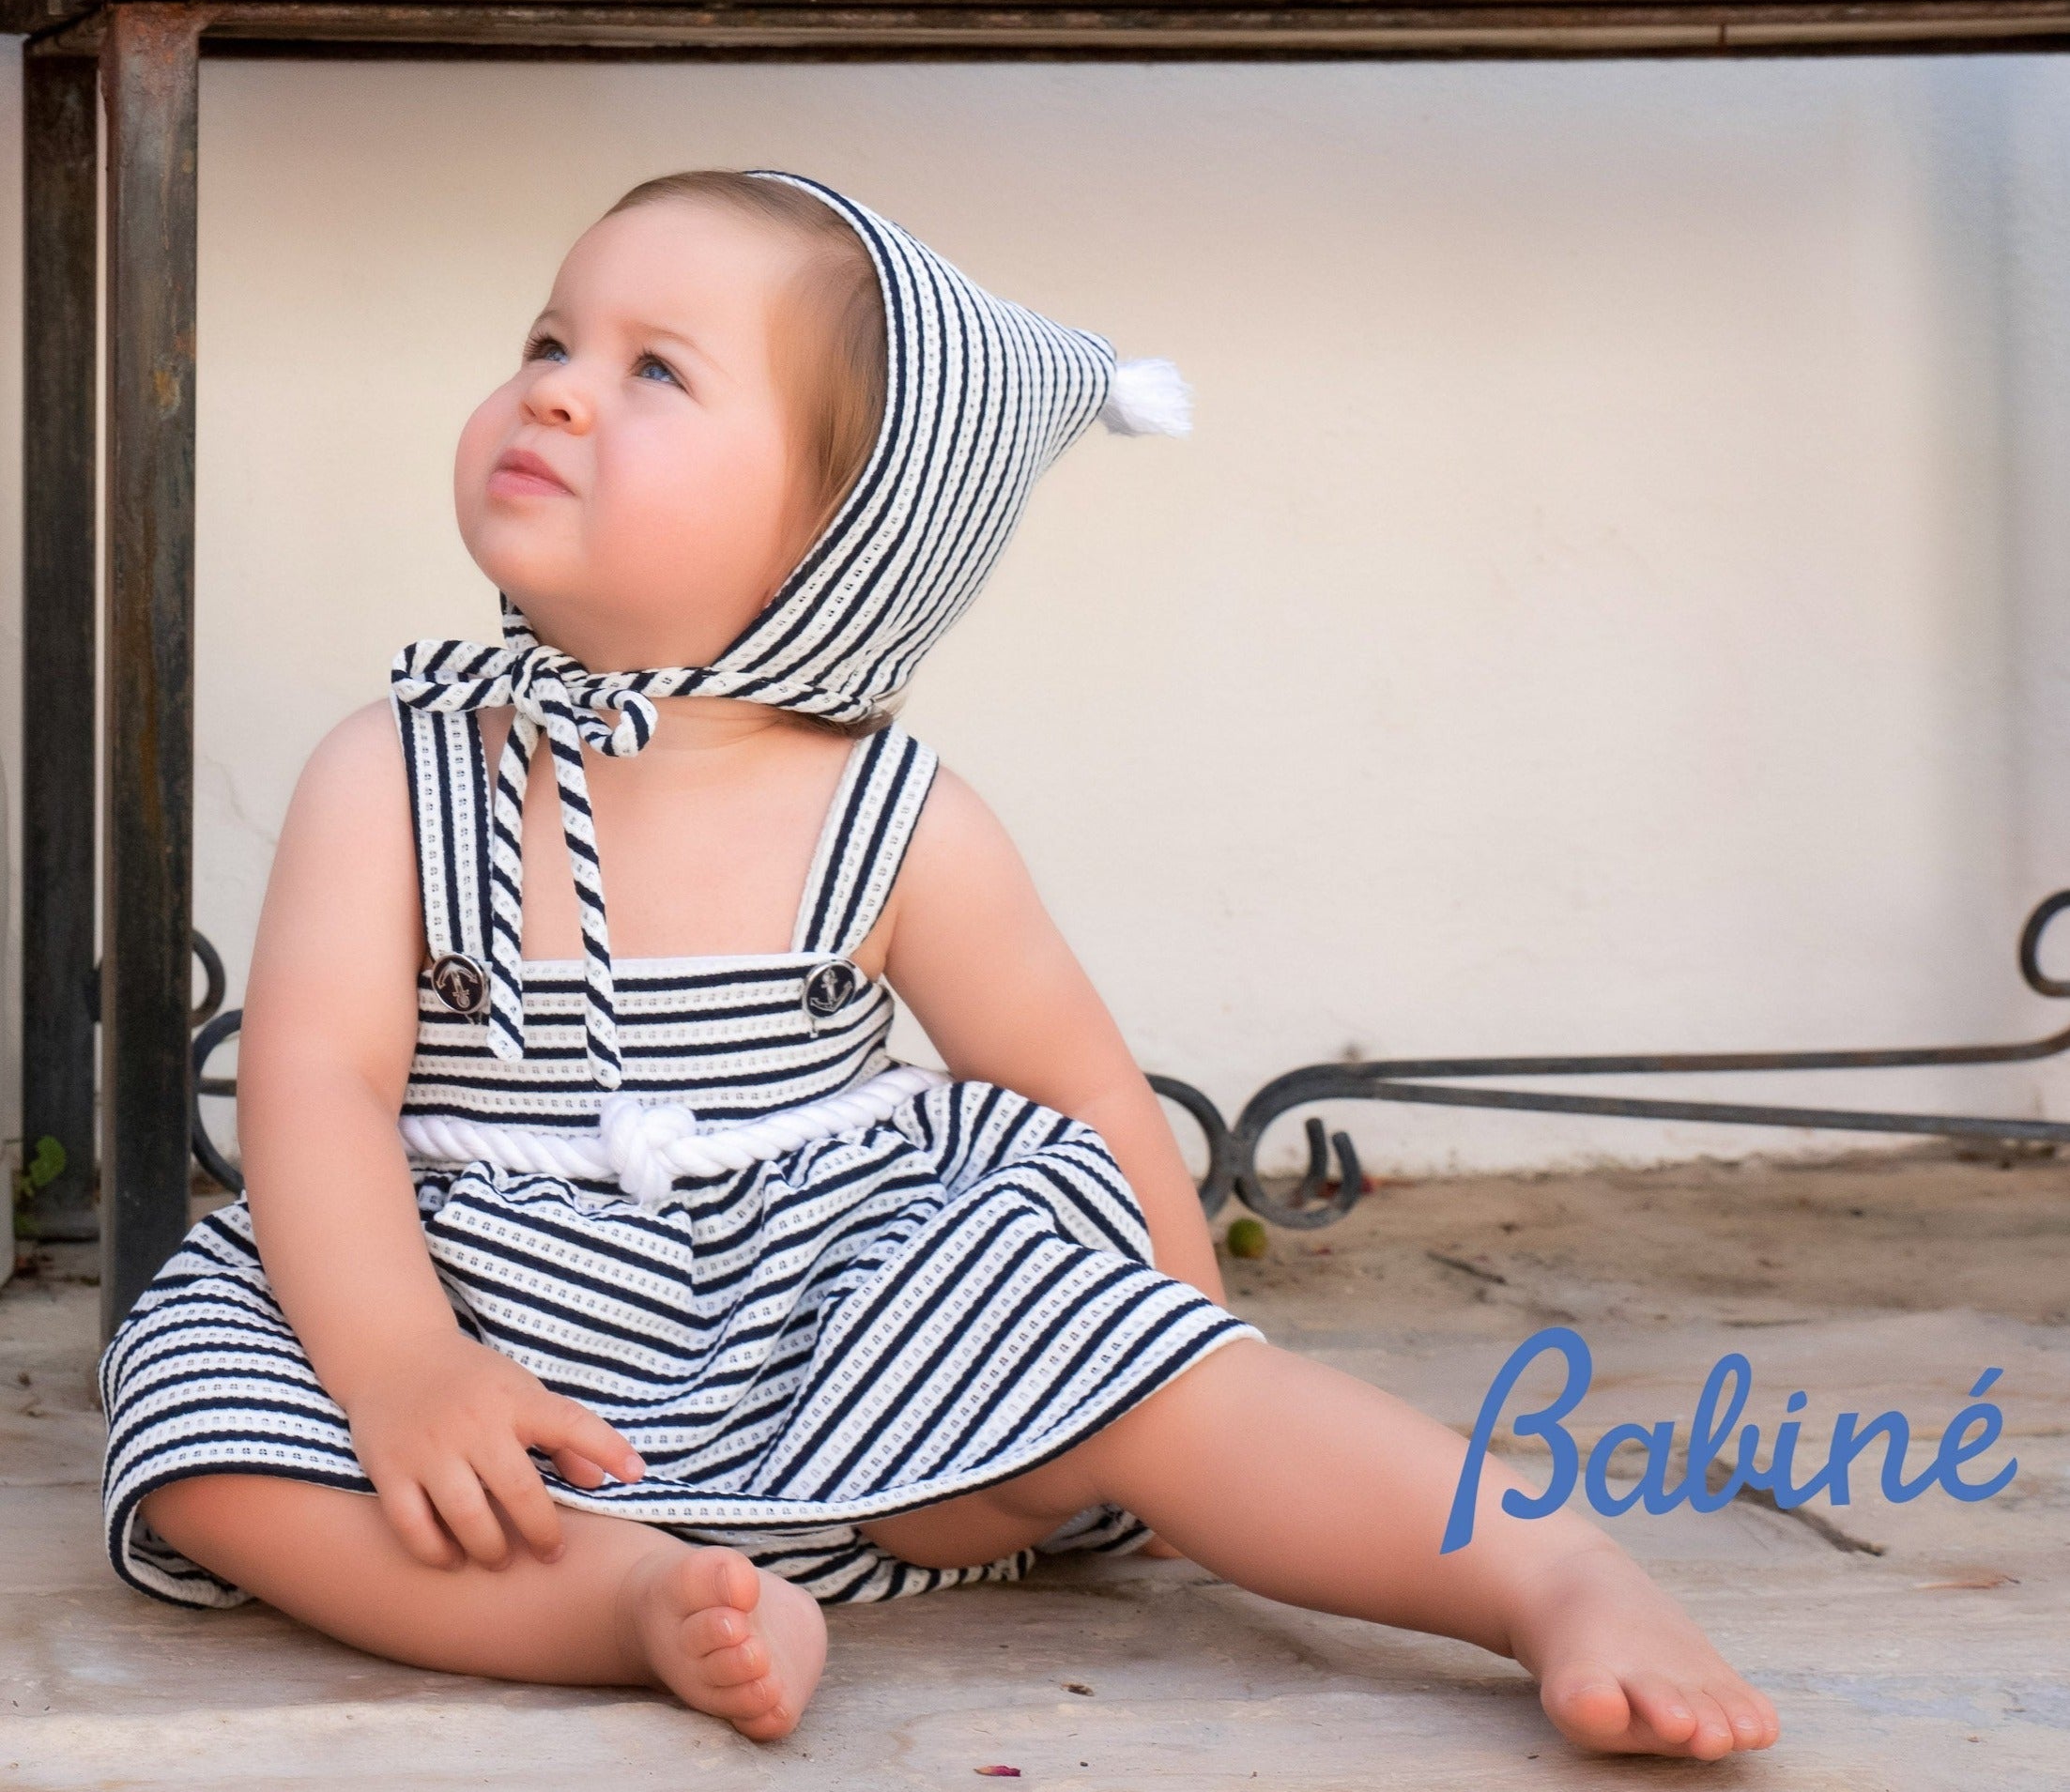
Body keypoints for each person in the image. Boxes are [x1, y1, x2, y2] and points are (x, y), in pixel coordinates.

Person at [100, 168, 1779, 1759]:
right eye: (549, 342)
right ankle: (625, 1606)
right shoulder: (390, 773)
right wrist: (399, 1367)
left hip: (843, 1339)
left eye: (654, 371)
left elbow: (1070, 1084)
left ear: (843, 535)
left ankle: (1543, 1573)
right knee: (195, 1432)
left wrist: (1164, 1351)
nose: (551, 389)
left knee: (1108, 1355)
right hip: (483, 1335)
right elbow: (319, 1083)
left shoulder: (895, 817)